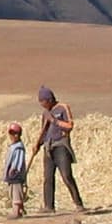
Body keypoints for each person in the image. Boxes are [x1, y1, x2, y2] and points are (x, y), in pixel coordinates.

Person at [30, 85, 85, 213]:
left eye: (42, 102)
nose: (42, 105)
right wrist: (37, 144)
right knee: (48, 177)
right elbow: (43, 131)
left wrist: (54, 121)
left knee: (66, 175)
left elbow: (69, 126)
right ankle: (49, 206)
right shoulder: (45, 113)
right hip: (48, 147)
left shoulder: (63, 108)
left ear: (49, 99)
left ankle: (78, 204)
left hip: (61, 146)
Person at [2, 122, 28, 218]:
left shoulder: (18, 148)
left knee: (16, 192)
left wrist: (14, 168)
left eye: (16, 133)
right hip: (12, 175)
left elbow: (18, 160)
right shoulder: (13, 147)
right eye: (12, 133)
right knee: (13, 192)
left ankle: (16, 211)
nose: (14, 136)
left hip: (16, 174)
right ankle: (20, 209)